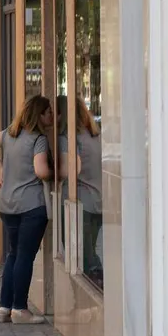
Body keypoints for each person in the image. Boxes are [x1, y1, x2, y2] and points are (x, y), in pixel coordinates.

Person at [0, 95, 53, 325]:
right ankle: (20, 308)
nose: (51, 115)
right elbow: (41, 171)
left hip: (7, 204)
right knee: (25, 256)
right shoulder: (38, 139)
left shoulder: (10, 134)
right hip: (30, 205)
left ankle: (4, 307)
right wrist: (59, 172)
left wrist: (2, 166)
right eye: (48, 112)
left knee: (13, 254)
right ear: (39, 115)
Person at [56, 96, 103, 285]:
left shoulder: (67, 139)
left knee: (83, 259)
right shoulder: (94, 134)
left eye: (55, 112)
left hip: (79, 202)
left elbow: (69, 170)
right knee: (89, 252)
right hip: (98, 201)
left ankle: (96, 296)